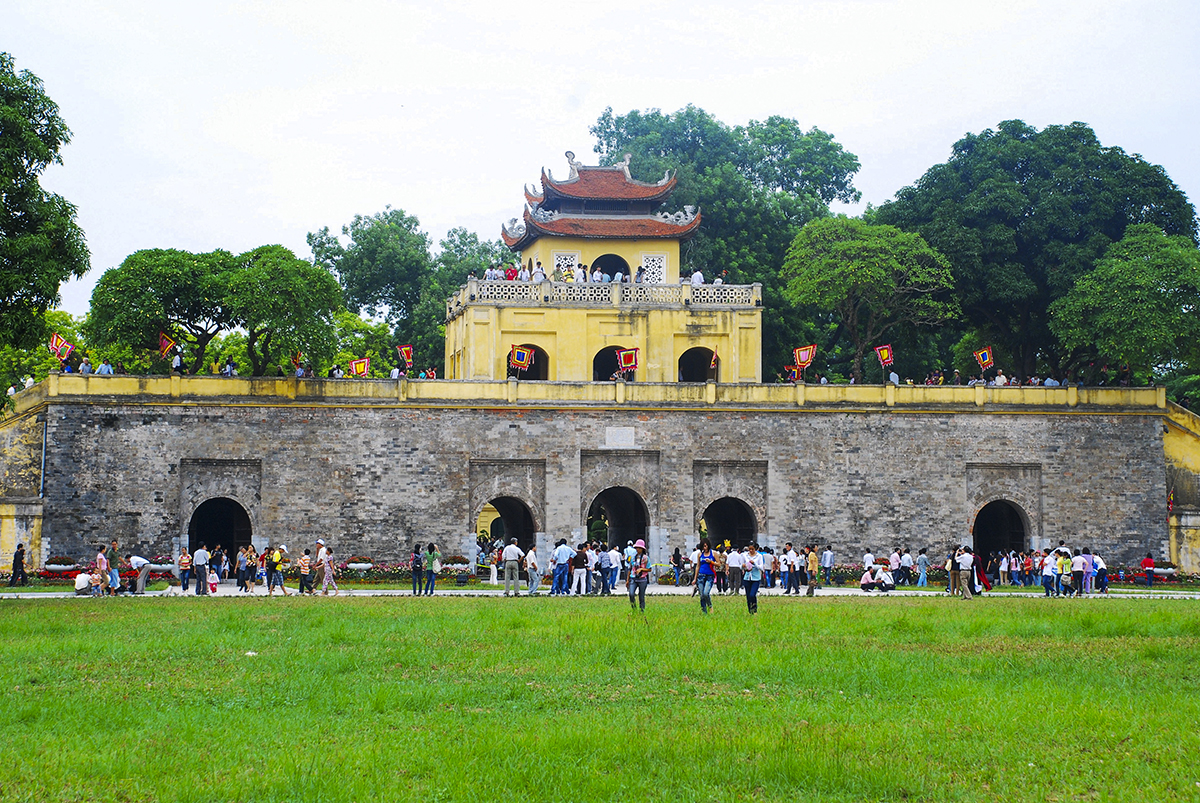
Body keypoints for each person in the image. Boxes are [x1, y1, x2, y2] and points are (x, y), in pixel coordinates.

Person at [626, 539, 651, 612]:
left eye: (639, 548)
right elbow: (629, 569)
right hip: (633, 578)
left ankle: (642, 610)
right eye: (636, 548)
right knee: (631, 594)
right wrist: (627, 580)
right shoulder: (632, 557)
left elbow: (649, 569)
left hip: (642, 579)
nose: (637, 549)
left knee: (641, 596)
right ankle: (634, 608)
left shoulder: (646, 558)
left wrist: (641, 569)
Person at [694, 539, 716, 613]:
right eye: (703, 546)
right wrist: (695, 578)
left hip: (710, 575)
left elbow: (719, 564)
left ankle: (710, 606)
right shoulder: (700, 554)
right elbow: (698, 566)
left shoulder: (713, 553)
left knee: (706, 593)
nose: (704, 548)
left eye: (705, 546)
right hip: (701, 575)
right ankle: (704, 611)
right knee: (702, 595)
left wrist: (711, 562)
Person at [742, 542, 765, 614]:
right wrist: (744, 566)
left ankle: (754, 610)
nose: (751, 551)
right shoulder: (745, 555)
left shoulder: (759, 556)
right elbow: (741, 566)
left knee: (752, 594)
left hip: (756, 578)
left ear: (755, 549)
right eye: (749, 549)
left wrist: (754, 563)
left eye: (752, 549)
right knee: (748, 596)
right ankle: (750, 611)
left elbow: (761, 567)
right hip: (747, 577)